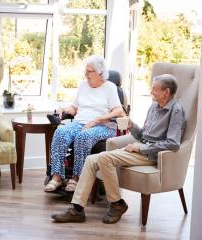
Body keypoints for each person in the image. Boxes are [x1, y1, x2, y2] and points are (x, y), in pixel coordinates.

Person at [51, 74, 185, 224]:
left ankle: (117, 204)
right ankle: (77, 210)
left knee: (103, 157)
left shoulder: (176, 110)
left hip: (151, 154)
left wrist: (141, 149)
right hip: (141, 147)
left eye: (154, 89)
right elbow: (143, 135)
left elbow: (173, 143)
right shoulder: (154, 106)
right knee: (91, 160)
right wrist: (131, 125)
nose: (151, 92)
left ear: (166, 92)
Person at [44, 55, 125, 193]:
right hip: (80, 123)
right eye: (85, 71)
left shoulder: (110, 87)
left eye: (89, 71)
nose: (85, 74)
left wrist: (98, 119)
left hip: (102, 126)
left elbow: (119, 111)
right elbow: (74, 108)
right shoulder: (83, 85)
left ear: (100, 73)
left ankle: (77, 178)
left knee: (83, 137)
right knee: (60, 133)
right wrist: (63, 109)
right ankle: (57, 177)